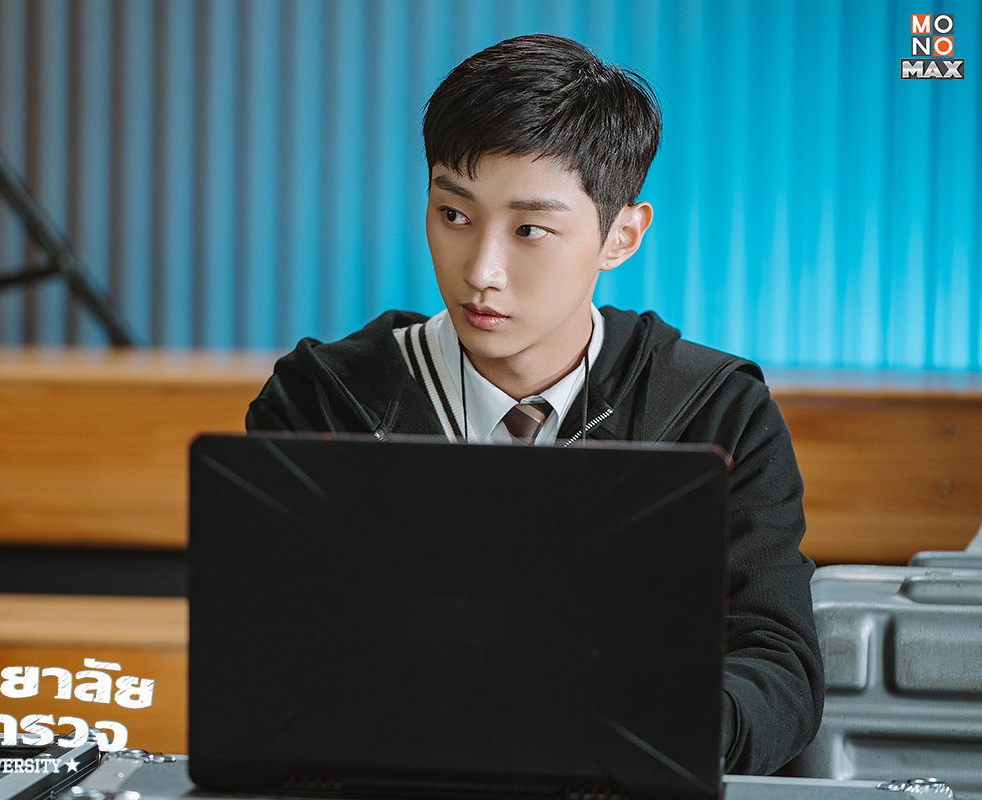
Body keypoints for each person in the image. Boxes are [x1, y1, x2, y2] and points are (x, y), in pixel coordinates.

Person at [245, 33, 824, 775]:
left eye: (530, 230)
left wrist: (649, 732)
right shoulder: (324, 402)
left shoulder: (715, 413)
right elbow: (270, 651)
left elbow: (776, 661)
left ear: (621, 236)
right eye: (454, 215)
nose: (481, 271)